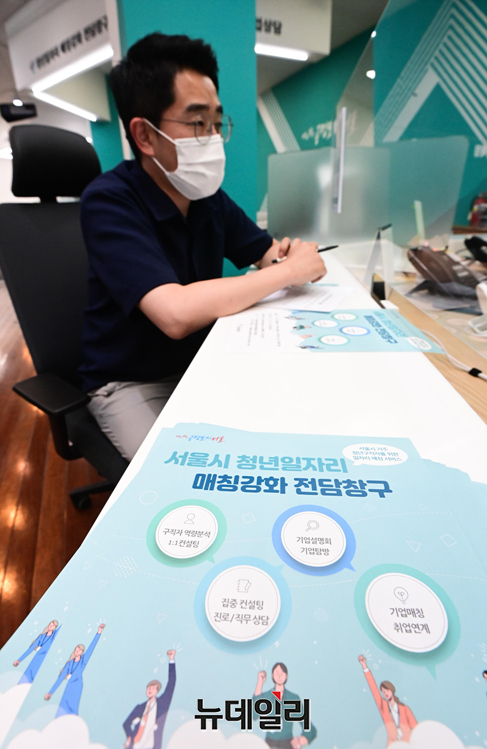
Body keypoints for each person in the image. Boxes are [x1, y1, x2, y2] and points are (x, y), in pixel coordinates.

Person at [79, 32, 326, 462]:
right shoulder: (108, 201)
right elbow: (175, 313)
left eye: (217, 122)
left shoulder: (206, 197)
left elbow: (267, 253)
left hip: (202, 361)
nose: (213, 137)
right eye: (198, 123)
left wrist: (286, 259)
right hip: (131, 382)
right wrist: (288, 271)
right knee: (182, 475)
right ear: (145, 135)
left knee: (285, 432)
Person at [44, 623, 105, 717]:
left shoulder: (83, 661)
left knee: (73, 707)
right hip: (69, 686)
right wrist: (50, 692)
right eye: (76, 650)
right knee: (63, 706)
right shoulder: (69, 664)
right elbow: (60, 678)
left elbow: (91, 648)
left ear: (82, 652)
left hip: (77, 686)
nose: (77, 651)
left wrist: (99, 632)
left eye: (79, 650)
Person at [254, 663, 317, 748]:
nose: (279, 676)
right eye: (277, 673)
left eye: (282, 673)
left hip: (287, 744)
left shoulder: (293, 698)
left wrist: (301, 740)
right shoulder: (266, 697)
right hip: (269, 744)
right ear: (272, 675)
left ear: (286, 676)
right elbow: (254, 714)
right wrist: (260, 682)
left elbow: (310, 728)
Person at [357, 655, 417, 746]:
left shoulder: (404, 709)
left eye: (387, 690)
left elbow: (416, 728)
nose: (385, 693)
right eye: (383, 692)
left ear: (392, 690)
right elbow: (374, 689)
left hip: (407, 743)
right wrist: (365, 667)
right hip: (393, 744)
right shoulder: (383, 707)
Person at [123, 650, 176, 749]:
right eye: (148, 688)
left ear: (157, 690)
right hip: (135, 746)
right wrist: (130, 736)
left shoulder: (162, 704)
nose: (150, 690)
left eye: (153, 688)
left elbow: (171, 684)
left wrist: (171, 659)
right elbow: (126, 723)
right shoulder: (140, 707)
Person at [13, 619, 60, 684]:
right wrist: (19, 660)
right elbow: (31, 649)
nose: (51, 626)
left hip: (46, 661)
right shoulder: (42, 636)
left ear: (55, 627)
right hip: (37, 659)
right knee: (28, 676)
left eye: (53, 626)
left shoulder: (54, 636)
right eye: (50, 624)